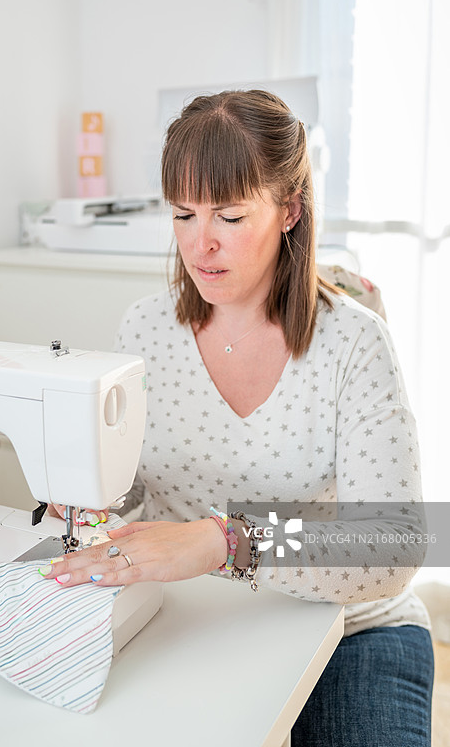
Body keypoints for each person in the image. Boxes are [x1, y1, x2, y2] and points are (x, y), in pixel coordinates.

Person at [41, 89, 434, 745]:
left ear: (289, 210)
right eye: (182, 214)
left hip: (352, 630)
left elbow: (394, 543)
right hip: (194, 616)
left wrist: (225, 540)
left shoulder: (353, 342)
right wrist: (81, 497)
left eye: (227, 215)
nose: (201, 245)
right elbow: (131, 486)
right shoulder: (144, 329)